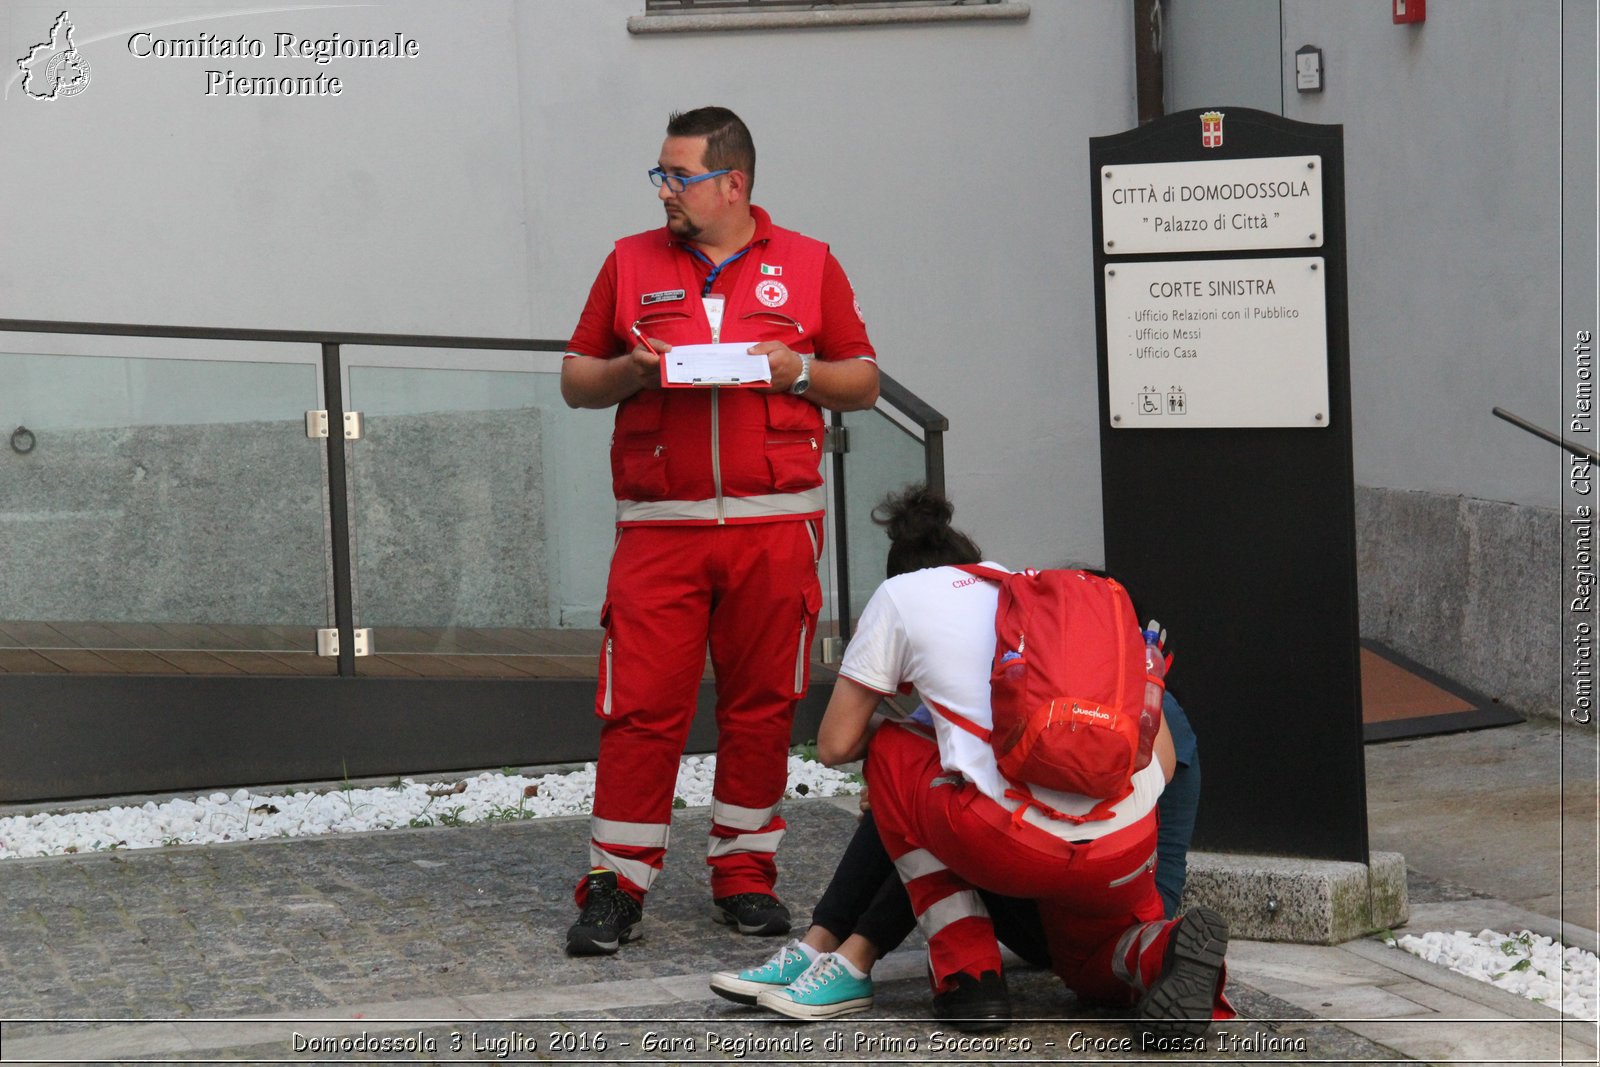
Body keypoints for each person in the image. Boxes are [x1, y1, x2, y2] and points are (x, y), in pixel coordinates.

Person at [713, 486, 1231, 1038]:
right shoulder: (1030, 607)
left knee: (898, 757)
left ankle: (956, 975)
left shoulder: (899, 598)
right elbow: (1167, 764)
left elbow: (836, 746)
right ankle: (1163, 950)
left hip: (1021, 865)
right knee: (1093, 964)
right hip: (1123, 861)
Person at [559, 106, 881, 956]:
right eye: (660, 175)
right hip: (660, 530)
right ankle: (615, 886)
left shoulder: (809, 264)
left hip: (775, 529)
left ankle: (745, 874)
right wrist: (628, 371)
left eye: (679, 175)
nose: (664, 189)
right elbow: (573, 380)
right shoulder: (629, 262)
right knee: (638, 709)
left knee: (762, 707)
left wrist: (799, 371)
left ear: (731, 183)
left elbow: (864, 379)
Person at [710, 692, 1201, 1028]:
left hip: (1093, 908)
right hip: (1112, 906)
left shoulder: (1135, 711)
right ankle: (827, 949)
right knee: (921, 790)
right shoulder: (1131, 701)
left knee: (933, 799)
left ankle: (851, 957)